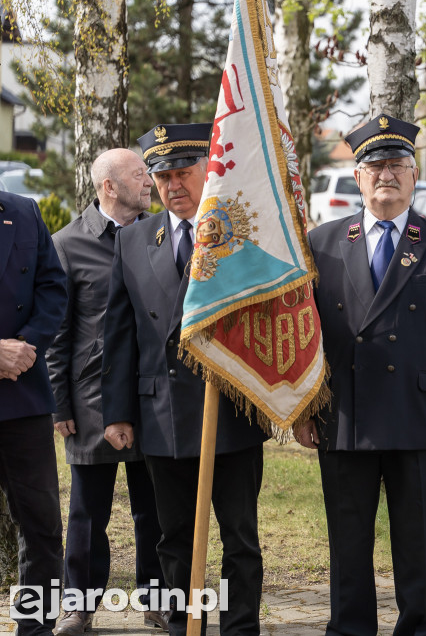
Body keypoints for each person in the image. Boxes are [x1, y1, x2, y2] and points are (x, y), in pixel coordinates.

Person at [293, 114, 426, 636]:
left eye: (397, 165)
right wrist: (305, 411)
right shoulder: (323, 242)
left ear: (416, 176)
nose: (385, 175)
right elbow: (308, 337)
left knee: (420, 543)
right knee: (348, 543)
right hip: (344, 415)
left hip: (418, 418)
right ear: (357, 177)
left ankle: (420, 629)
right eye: (374, 166)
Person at [102, 124, 269, 636]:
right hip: (163, 416)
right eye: (163, 176)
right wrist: (118, 413)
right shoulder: (132, 241)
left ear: (207, 172)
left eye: (184, 173)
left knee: (239, 536)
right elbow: (119, 334)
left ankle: (240, 627)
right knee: (172, 536)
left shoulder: (241, 235)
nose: (174, 185)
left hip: (232, 413)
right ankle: (181, 625)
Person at [47, 149, 168, 635]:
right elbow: (58, 332)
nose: (150, 180)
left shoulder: (160, 233)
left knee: (154, 509)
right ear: (109, 187)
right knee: (86, 513)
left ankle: (160, 599)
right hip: (90, 400)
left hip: (150, 395)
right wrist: (59, 402)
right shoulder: (68, 244)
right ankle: (78, 606)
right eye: (140, 174)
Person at [0, 188, 67, 635]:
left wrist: (26, 347)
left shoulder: (23, 210)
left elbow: (52, 287)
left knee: (41, 523)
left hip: (23, 397)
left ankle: (36, 628)